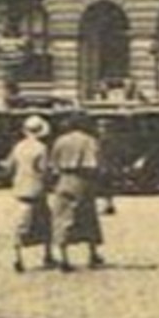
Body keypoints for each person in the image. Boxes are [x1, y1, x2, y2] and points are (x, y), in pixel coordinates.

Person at [47, 113, 106, 271]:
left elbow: (52, 165)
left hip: (64, 180)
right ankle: (92, 254)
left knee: (62, 218)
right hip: (84, 181)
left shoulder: (60, 141)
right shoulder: (90, 141)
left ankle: (63, 258)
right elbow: (96, 164)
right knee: (88, 217)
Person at [2, 115, 55, 272]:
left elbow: (9, 166)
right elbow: (45, 170)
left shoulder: (18, 147)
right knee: (45, 222)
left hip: (20, 189)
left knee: (21, 225)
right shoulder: (41, 148)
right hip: (37, 189)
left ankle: (17, 258)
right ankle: (48, 255)